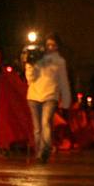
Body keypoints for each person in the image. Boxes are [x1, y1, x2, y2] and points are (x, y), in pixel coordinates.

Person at [24, 33, 71, 162]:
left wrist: (66, 101)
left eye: (53, 45)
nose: (50, 47)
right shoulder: (38, 58)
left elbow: (63, 81)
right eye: (48, 44)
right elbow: (30, 79)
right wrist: (29, 65)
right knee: (37, 127)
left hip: (50, 96)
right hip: (34, 96)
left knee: (45, 122)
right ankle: (39, 152)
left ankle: (45, 150)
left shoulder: (60, 62)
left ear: (57, 47)